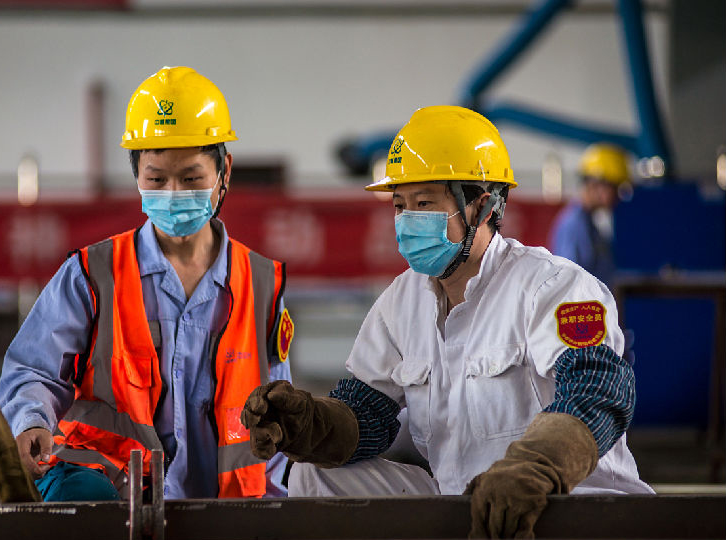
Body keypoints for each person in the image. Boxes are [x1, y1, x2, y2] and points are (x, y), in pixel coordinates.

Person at [241, 106, 652, 538]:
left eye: (424, 203)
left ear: (482, 203)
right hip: (464, 507)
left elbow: (598, 391)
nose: (407, 220)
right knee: (316, 475)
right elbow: (366, 413)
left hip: (571, 506)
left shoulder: (553, 287)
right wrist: (309, 423)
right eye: (400, 205)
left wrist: (534, 469)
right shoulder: (402, 300)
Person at [0, 66, 294, 502]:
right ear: (137, 175)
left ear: (224, 171)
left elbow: (276, 410)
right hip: (109, 486)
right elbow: (33, 367)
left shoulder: (261, 284)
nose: (173, 192)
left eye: (191, 178)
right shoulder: (92, 274)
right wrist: (32, 420)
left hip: (227, 500)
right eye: (157, 179)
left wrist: (277, 504)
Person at [550, 143, 632, 287]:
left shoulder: (589, 224)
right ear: (596, 185)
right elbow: (570, 286)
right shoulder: (575, 226)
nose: (619, 197)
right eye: (616, 188)